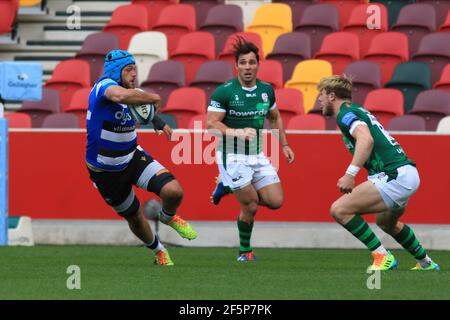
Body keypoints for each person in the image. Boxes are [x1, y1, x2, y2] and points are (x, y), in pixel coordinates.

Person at [85, 50, 197, 266]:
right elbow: (120, 97)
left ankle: (167, 216)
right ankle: (159, 250)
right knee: (134, 216)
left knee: (174, 191)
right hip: (105, 172)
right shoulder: (103, 87)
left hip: (132, 157)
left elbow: (142, 109)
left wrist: (158, 121)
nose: (134, 73)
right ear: (116, 72)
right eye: (128, 69)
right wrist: (155, 97)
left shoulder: (133, 92)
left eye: (135, 68)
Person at [317, 74, 440, 271]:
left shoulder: (345, 114)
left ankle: (383, 257)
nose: (319, 100)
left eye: (321, 95)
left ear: (332, 96)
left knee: (339, 210)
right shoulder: (355, 111)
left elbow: (366, 140)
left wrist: (350, 174)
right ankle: (426, 263)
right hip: (405, 173)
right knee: (387, 223)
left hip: (394, 175)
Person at [207, 38, 295, 261]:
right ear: (236, 66)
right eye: (243, 63)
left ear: (258, 65)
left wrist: (283, 144)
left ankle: (226, 186)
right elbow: (211, 124)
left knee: (276, 202)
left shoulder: (266, 90)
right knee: (251, 205)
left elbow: (274, 117)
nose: (248, 67)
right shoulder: (224, 92)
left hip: (256, 154)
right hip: (231, 155)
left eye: (252, 62)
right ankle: (244, 251)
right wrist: (237, 132)